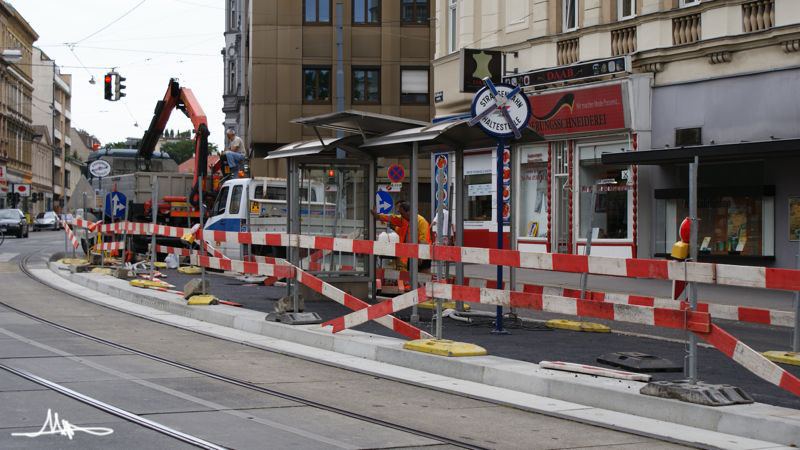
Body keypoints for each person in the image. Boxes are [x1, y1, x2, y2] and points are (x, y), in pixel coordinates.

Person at [371, 200, 431, 271]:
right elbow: (392, 218)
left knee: (423, 275)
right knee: (411, 275)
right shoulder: (404, 220)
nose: (401, 215)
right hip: (412, 253)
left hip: (423, 254)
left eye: (402, 213)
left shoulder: (421, 222)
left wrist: (421, 256)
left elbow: (424, 240)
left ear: (408, 212)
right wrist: (378, 216)